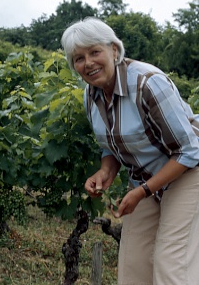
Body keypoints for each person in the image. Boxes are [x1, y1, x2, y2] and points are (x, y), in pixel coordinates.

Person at [61, 17, 199, 285]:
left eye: (94, 52)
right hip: (146, 177)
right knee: (133, 266)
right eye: (78, 58)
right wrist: (104, 172)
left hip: (189, 171)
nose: (87, 63)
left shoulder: (147, 84)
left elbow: (189, 150)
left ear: (114, 49)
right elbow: (109, 146)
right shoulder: (91, 96)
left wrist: (142, 191)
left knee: (171, 262)